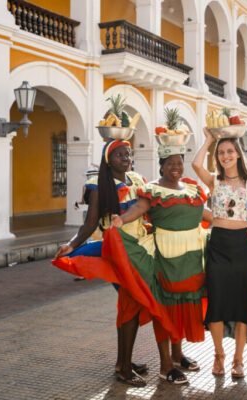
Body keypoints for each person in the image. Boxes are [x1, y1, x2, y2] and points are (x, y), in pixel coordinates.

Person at [108, 143, 210, 384]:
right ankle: (165, 366)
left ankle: (177, 356)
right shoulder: (152, 189)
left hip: (192, 257)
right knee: (165, 308)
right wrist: (121, 220)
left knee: (181, 306)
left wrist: (236, 224)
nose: (176, 167)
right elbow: (138, 208)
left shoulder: (193, 189)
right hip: (164, 255)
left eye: (179, 162)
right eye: (170, 163)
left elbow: (207, 215)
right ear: (161, 165)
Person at [52, 139, 149, 386]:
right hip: (118, 251)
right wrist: (72, 245)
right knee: (130, 305)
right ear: (109, 159)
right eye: (119, 155)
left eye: (128, 154)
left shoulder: (136, 180)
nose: (126, 158)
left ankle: (123, 361)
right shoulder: (98, 184)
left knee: (131, 306)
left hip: (140, 250)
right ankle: (124, 368)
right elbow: (90, 223)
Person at [192, 128, 247, 378]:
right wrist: (210, 139)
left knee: (244, 302)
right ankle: (219, 355)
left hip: (244, 246)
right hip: (219, 243)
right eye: (221, 153)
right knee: (218, 300)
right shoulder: (214, 180)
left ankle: (239, 359)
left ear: (239, 154)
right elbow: (195, 163)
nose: (225, 156)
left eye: (230, 151)